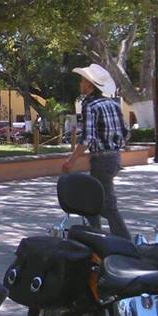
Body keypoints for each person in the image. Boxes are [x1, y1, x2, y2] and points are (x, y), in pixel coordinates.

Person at [62, 63, 131, 239]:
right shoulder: (113, 104)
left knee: (105, 203)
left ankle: (122, 241)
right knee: (94, 198)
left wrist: (71, 161)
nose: (80, 84)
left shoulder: (89, 105)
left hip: (101, 159)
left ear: (90, 85)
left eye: (82, 81)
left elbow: (87, 138)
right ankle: (96, 235)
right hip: (114, 157)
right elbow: (125, 132)